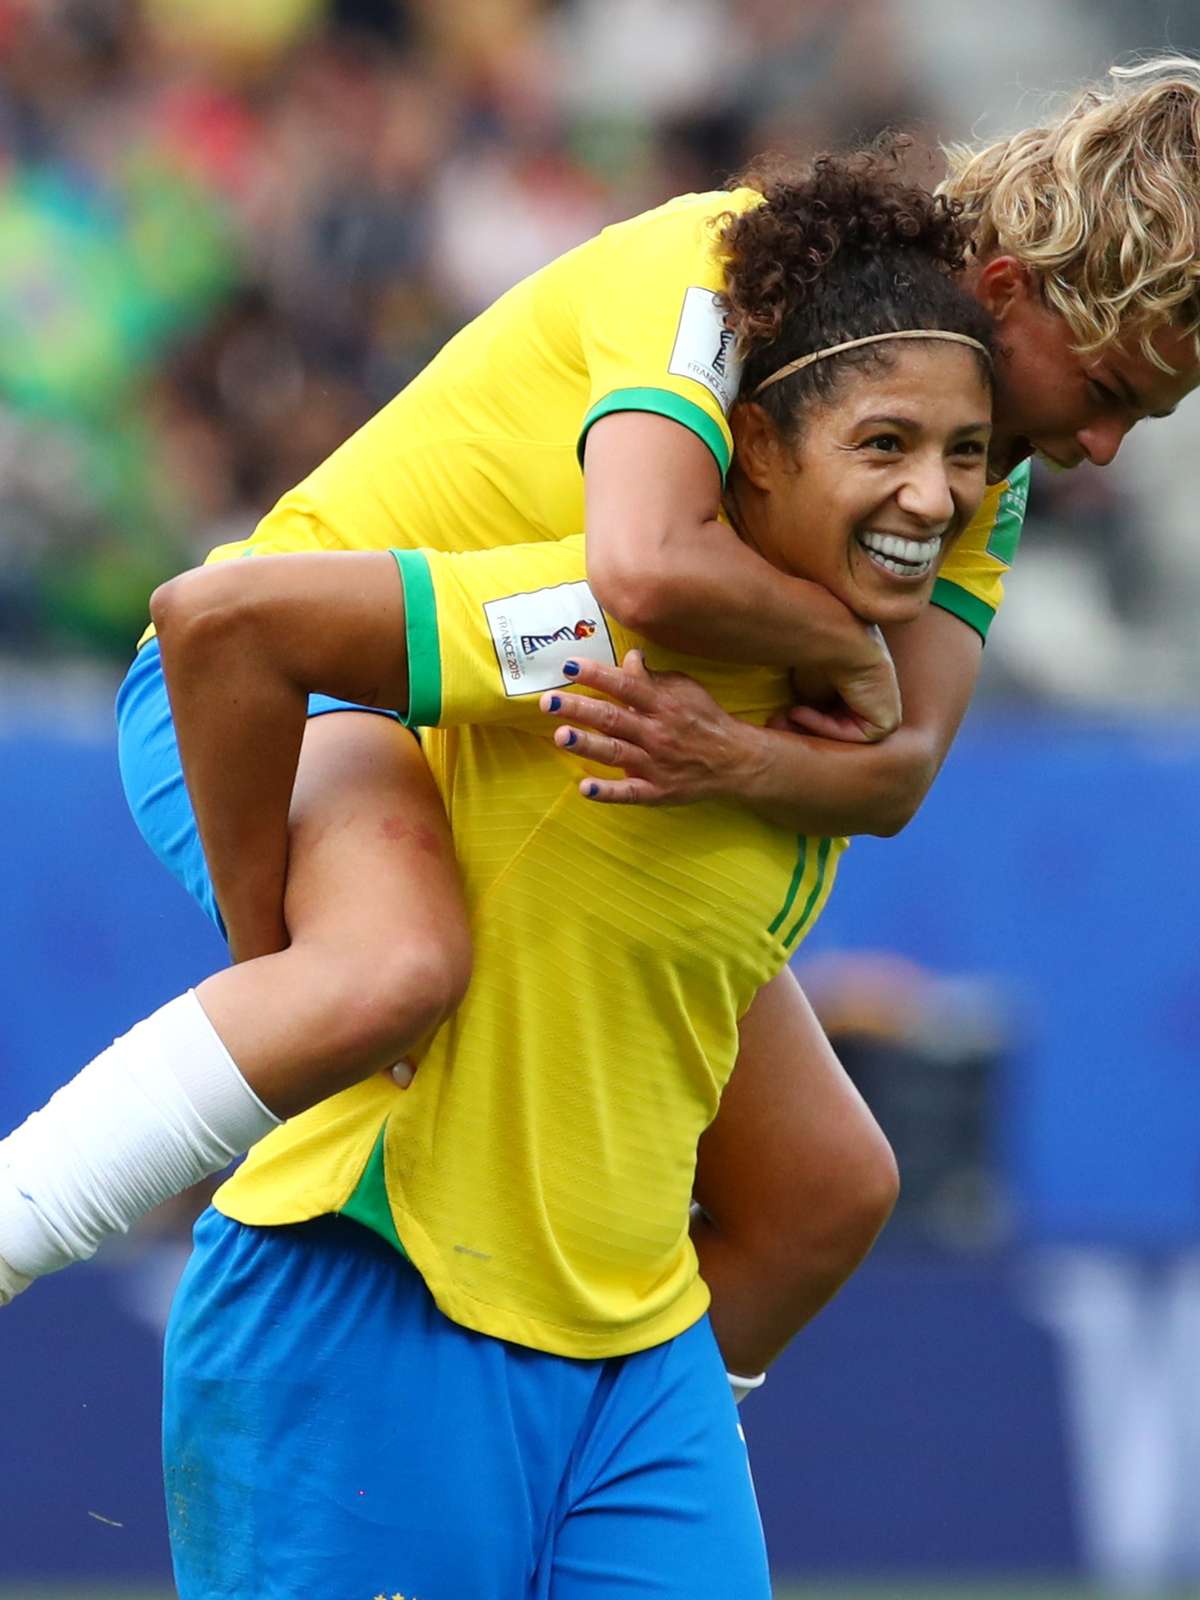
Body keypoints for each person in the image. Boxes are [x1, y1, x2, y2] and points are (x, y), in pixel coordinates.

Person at [1, 156, 995, 1595]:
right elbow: (221, 624)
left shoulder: (876, 647)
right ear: (757, 449)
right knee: (389, 969)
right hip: (369, 1296)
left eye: (969, 454)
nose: (939, 493)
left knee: (838, 1180)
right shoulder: (598, 615)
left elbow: (910, 737)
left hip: (638, 1351)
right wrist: (271, 941)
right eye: (887, 443)